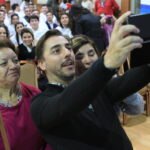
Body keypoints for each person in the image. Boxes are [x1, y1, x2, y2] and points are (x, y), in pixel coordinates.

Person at [31, 12, 150, 150]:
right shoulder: (40, 105)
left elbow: (131, 79)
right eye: (56, 51)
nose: (67, 53)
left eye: (68, 48)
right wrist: (106, 63)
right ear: (41, 64)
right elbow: (67, 102)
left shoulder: (96, 88)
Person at [71, 34, 145, 115]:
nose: (87, 60)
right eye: (79, 57)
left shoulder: (107, 80)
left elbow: (137, 109)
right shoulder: (69, 89)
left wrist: (118, 84)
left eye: (91, 54)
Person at [0, 39, 48, 150]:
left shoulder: (34, 93)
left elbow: (49, 135)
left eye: (15, 60)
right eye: (3, 63)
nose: (13, 66)